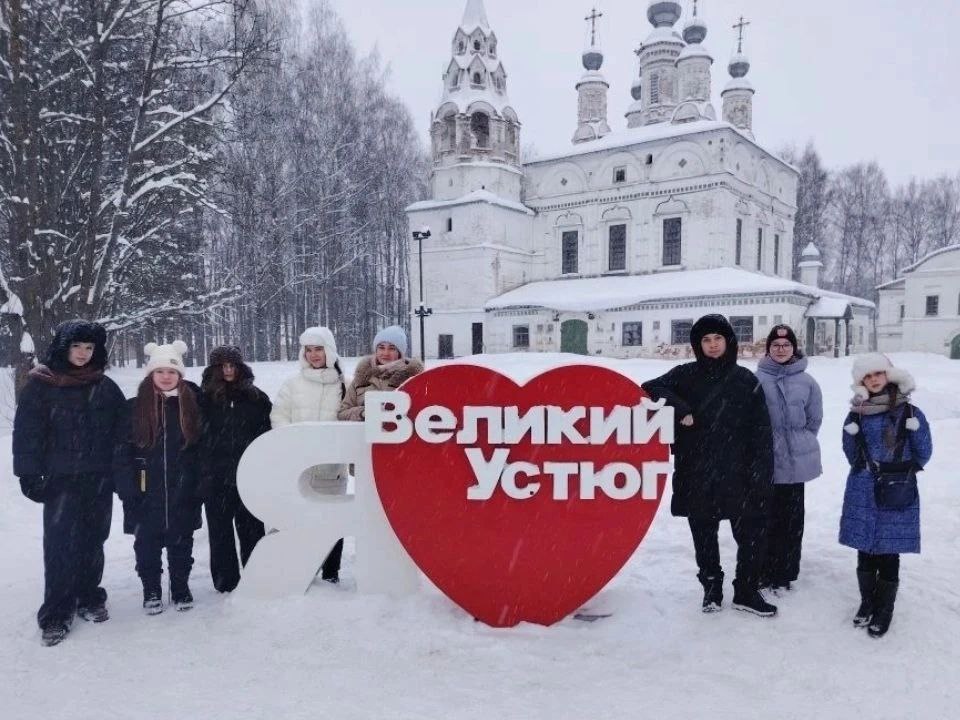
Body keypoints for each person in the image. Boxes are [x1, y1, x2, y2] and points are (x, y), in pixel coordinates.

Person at [641, 314, 776, 617]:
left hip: (739, 471)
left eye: (718, 339)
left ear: (728, 342)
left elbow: (761, 431)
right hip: (698, 469)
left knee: (750, 533)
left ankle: (746, 590)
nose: (713, 345)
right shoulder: (685, 374)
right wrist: (681, 408)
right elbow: (650, 387)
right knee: (703, 533)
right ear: (697, 344)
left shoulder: (745, 379)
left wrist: (761, 471)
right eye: (706, 340)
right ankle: (712, 588)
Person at [13, 320, 126, 646]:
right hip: (60, 480)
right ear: (64, 347)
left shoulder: (104, 387)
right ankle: (57, 612)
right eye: (77, 346)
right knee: (60, 544)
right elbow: (27, 435)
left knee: (94, 540)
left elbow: (122, 432)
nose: (82, 353)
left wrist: (122, 471)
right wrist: (29, 474)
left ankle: (89, 595)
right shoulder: (42, 385)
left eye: (89, 348)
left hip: (98, 477)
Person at [840, 353, 932, 638]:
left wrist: (899, 465)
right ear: (861, 382)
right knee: (865, 549)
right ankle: (867, 602)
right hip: (863, 488)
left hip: (896, 489)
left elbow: (924, 452)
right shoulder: (856, 412)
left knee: (889, 552)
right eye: (867, 376)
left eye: (878, 373)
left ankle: (884, 609)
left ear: (889, 375)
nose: (874, 379)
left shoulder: (910, 412)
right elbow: (850, 452)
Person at [114, 341, 202, 615]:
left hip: (183, 489)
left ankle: (180, 587)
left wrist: (198, 484)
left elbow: (202, 450)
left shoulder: (191, 406)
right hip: (144, 490)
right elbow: (120, 451)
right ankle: (151, 589)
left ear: (180, 375)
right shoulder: (133, 408)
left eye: (172, 371)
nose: (166, 376)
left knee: (181, 543)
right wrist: (126, 487)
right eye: (160, 371)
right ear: (150, 374)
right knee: (146, 545)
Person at [271, 327, 347, 583]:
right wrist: (295, 448)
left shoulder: (344, 385)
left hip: (331, 469)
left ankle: (331, 572)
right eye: (309, 350)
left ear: (330, 350)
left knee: (332, 520)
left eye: (319, 349)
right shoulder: (292, 385)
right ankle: (302, 568)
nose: (314, 355)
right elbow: (279, 416)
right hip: (298, 469)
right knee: (299, 519)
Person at [755, 324, 823, 594]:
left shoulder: (807, 382)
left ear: (794, 348)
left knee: (792, 521)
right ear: (769, 349)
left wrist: (800, 441)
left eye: (786, 345)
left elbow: (814, 418)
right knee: (767, 519)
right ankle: (765, 570)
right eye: (775, 346)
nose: (781, 349)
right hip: (767, 462)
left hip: (796, 463)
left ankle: (785, 572)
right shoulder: (757, 378)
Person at [199, 345, 272, 593]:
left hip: (248, 475)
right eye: (222, 365)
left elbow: (266, 435)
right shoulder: (203, 399)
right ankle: (226, 582)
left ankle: (256, 576)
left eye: (232, 365)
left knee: (251, 529)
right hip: (215, 477)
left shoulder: (256, 397)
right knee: (220, 533)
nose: (228, 370)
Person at [337, 325, 424, 423]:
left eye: (392, 348)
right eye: (381, 348)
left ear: (399, 353)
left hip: (400, 436)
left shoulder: (411, 378)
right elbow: (342, 413)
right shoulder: (361, 378)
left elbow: (422, 412)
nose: (385, 353)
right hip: (364, 436)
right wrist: (363, 413)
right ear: (376, 350)